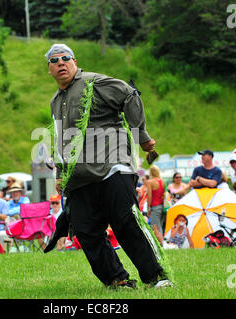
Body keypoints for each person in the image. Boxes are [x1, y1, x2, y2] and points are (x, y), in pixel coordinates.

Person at [45, 43, 173, 289]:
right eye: (54, 60)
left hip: (112, 166)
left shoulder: (94, 83)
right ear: (49, 70)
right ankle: (117, 279)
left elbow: (129, 94)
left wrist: (141, 136)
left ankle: (156, 277)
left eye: (65, 58)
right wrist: (61, 174)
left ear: (74, 61)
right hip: (80, 177)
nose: (60, 62)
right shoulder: (55, 101)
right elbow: (60, 138)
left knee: (125, 222)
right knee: (85, 230)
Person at [146, 165, 166, 244]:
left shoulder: (150, 182)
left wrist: (148, 208)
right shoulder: (162, 181)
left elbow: (149, 196)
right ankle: (162, 244)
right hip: (162, 206)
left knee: (156, 227)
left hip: (155, 206)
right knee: (159, 226)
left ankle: (161, 245)